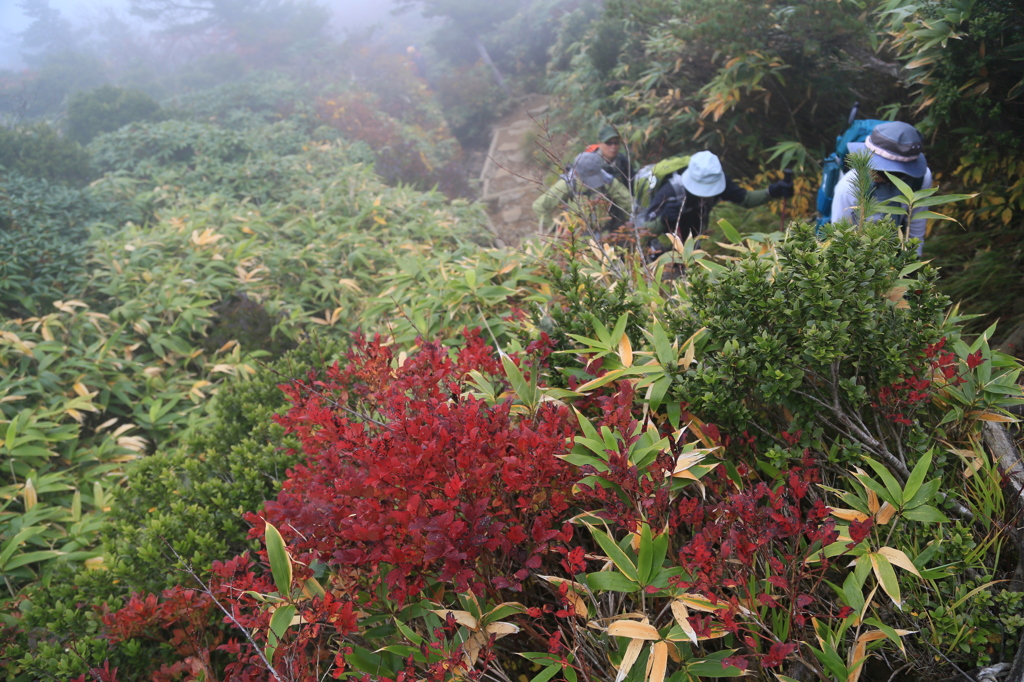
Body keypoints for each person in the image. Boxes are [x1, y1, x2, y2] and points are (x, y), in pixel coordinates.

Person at [641, 150, 794, 241]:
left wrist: (772, 191)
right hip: (663, 246)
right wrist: (664, 219)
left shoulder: (719, 180)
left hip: (693, 241)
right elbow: (643, 232)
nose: (706, 194)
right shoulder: (670, 190)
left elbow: (745, 199)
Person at [830, 121, 932, 256]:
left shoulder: (922, 178)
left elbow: (917, 222)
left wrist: (913, 258)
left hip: (896, 249)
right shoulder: (848, 186)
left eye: (877, 168)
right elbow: (839, 236)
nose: (870, 170)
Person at [533, 151, 633, 234]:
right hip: (577, 237)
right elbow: (539, 205)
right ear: (576, 173)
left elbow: (629, 203)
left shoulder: (607, 180)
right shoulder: (568, 184)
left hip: (606, 234)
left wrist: (630, 222)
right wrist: (556, 228)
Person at [591, 124, 633, 191]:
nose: (613, 146)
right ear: (599, 143)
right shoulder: (590, 162)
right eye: (608, 143)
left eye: (616, 143)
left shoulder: (624, 163)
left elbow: (631, 188)